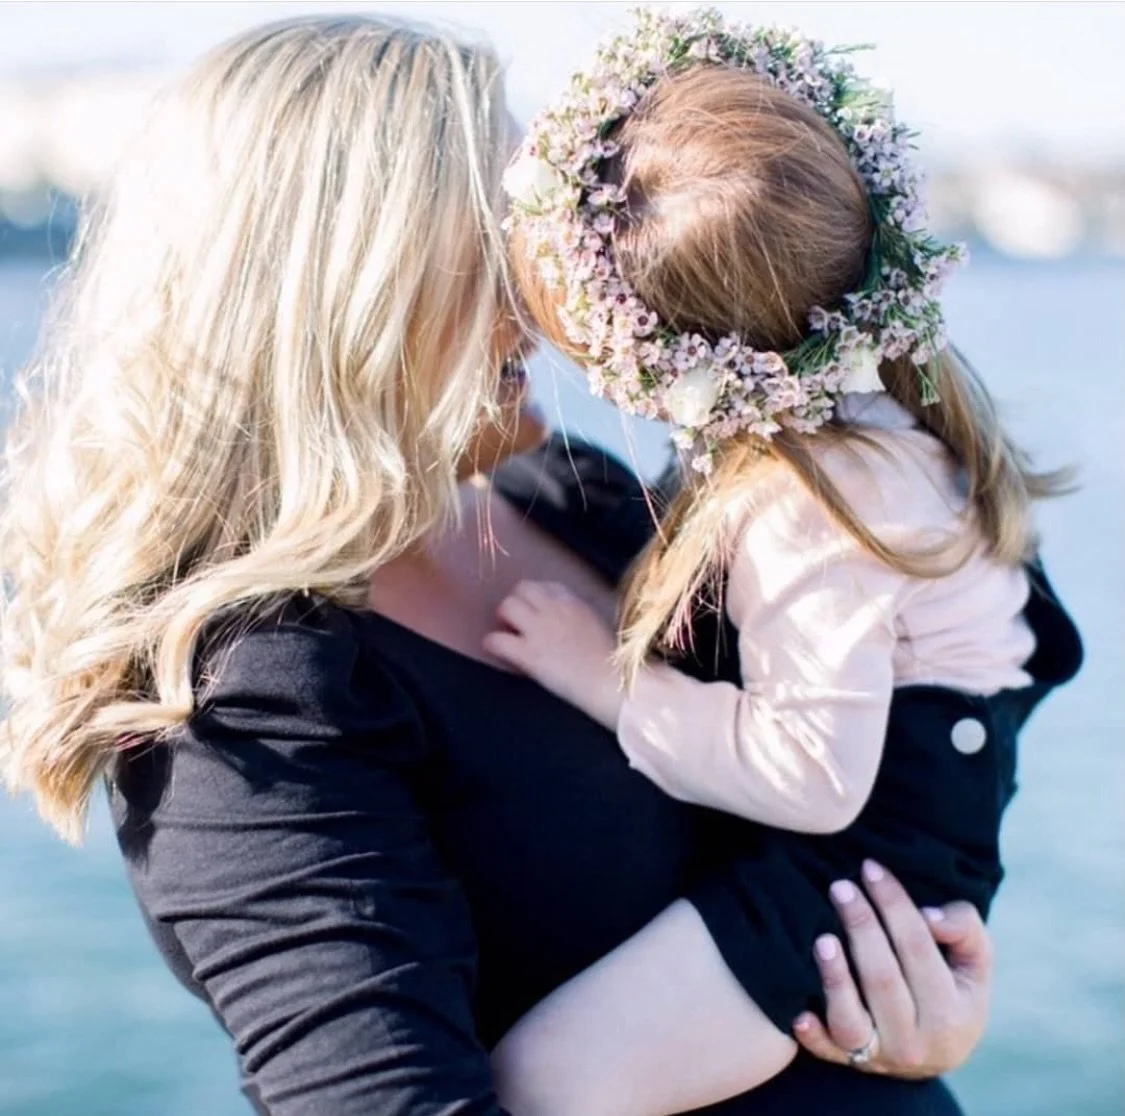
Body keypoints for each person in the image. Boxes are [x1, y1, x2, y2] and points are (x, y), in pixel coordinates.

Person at [1, 14, 998, 1116]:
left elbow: (902, 701)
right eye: (505, 254)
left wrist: (910, 978)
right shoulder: (249, 707)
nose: (558, 305)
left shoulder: (580, 498)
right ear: (351, 295)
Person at [487, 10, 1082, 1115]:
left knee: (545, 1082)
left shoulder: (810, 495)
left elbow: (813, 777)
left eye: (585, 343)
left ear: (666, 353)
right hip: (891, 830)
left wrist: (598, 677)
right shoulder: (858, 422)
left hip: (861, 870)